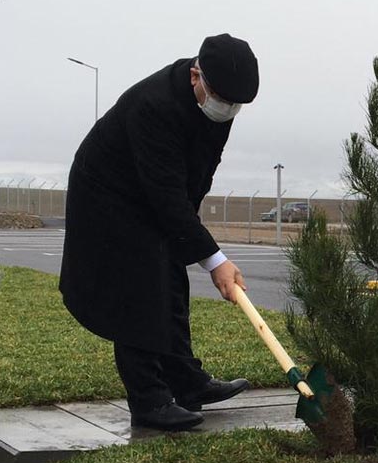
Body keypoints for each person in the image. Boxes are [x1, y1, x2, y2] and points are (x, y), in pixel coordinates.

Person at [60, 35, 258, 433]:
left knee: (170, 277)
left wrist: (191, 236)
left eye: (236, 104)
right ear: (195, 75)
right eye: (222, 98)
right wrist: (214, 258)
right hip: (108, 195)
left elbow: (196, 177)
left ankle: (187, 380)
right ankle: (149, 400)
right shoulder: (155, 105)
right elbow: (165, 194)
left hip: (152, 194)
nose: (229, 109)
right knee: (139, 290)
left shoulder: (218, 107)